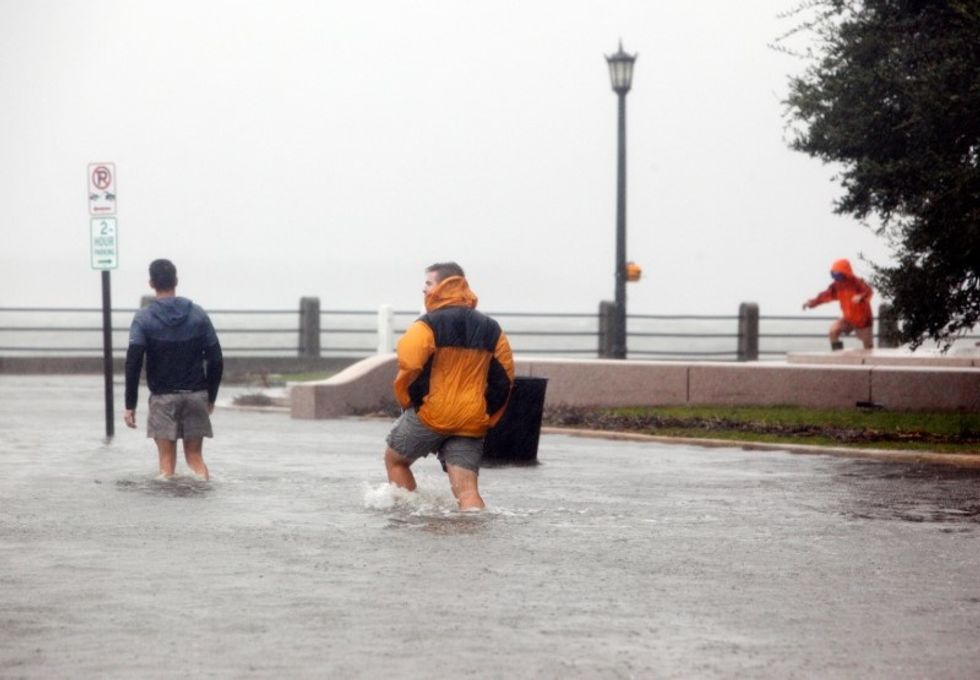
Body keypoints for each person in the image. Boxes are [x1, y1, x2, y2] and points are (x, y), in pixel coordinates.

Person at [384, 262, 515, 510]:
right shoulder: (492, 329)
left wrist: (409, 402)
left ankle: (411, 515)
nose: (424, 289)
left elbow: (409, 362)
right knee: (467, 491)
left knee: (395, 461)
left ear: (444, 285)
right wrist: (487, 414)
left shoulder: (426, 325)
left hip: (431, 415)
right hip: (472, 418)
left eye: (428, 283)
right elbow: (505, 378)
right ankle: (474, 534)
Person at [123, 259, 223, 480]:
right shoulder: (198, 315)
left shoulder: (143, 318)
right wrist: (211, 396)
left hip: (162, 398)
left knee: (166, 465)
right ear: (176, 281)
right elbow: (216, 358)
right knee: (195, 457)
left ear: (151, 283)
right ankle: (205, 494)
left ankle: (168, 511)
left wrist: (130, 405)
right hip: (196, 395)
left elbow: (133, 362)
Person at [802, 258, 874, 350]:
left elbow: (869, 291)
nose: (836, 278)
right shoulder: (837, 285)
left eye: (838, 275)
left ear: (846, 273)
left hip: (863, 320)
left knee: (868, 348)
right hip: (848, 319)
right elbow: (825, 296)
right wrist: (811, 303)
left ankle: (869, 362)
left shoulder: (858, 282)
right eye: (833, 275)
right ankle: (838, 355)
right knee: (833, 331)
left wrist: (861, 297)